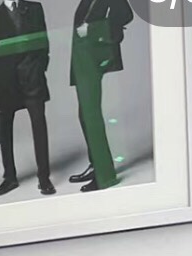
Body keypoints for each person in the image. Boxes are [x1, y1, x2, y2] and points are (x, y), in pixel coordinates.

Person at [0, 0, 56, 197]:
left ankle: (44, 177)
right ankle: (10, 178)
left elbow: (43, 40)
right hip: (5, 82)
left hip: (32, 78)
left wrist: (40, 67)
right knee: (5, 131)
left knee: (39, 127)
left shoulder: (34, 8)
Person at [68, 0, 135, 191]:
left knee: (91, 115)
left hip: (93, 53)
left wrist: (92, 30)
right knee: (84, 114)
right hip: (83, 52)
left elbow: (126, 15)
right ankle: (96, 165)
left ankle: (105, 175)